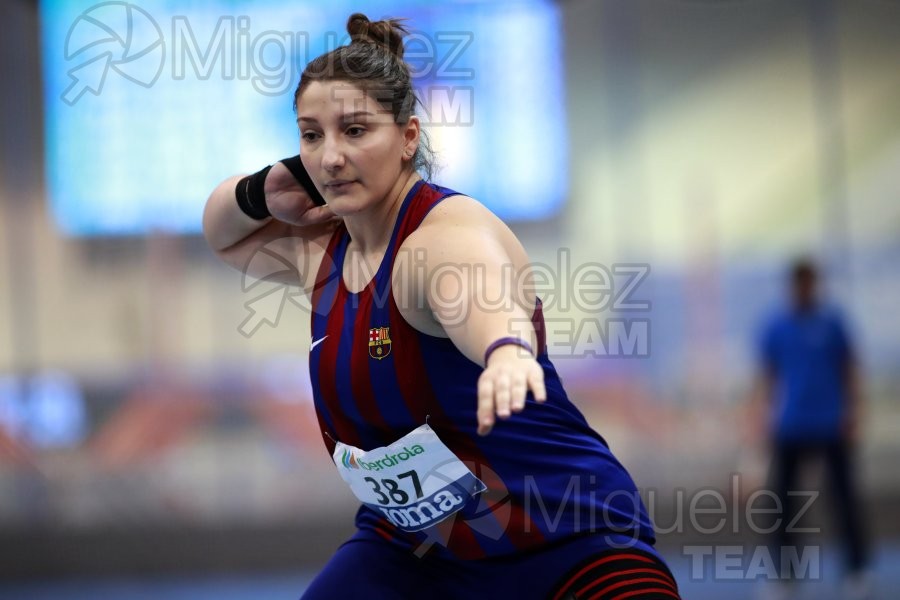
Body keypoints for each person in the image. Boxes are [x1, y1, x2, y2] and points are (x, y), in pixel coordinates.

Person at [203, 13, 680, 599]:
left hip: (569, 546)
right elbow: (223, 233)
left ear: (408, 137)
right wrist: (261, 188)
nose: (329, 157)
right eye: (311, 135)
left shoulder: (439, 238)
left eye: (355, 131)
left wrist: (506, 352)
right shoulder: (321, 253)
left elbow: (476, 292)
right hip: (419, 553)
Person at [752, 258, 870, 598]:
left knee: (844, 500)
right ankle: (784, 574)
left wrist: (854, 411)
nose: (804, 290)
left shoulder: (832, 323)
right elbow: (767, 376)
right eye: (798, 283)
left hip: (830, 423)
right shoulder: (776, 325)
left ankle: (856, 570)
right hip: (790, 425)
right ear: (791, 286)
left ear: (815, 285)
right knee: (783, 504)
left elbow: (849, 367)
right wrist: (760, 417)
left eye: (809, 283)